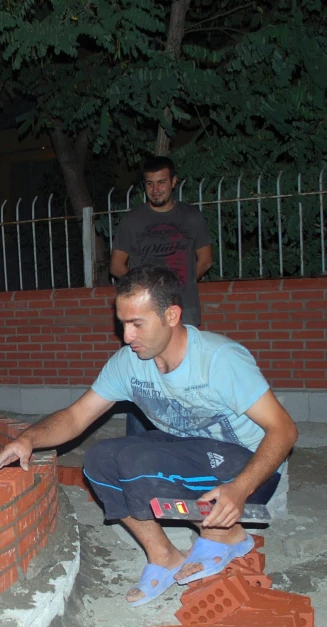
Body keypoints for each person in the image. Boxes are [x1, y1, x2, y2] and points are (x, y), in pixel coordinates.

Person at [0, 266, 296, 608]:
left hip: (247, 470)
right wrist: (29, 439)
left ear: (172, 315)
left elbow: (284, 429)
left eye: (137, 324)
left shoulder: (219, 360)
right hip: (190, 456)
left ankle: (226, 534)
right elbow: (77, 416)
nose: (126, 336)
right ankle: (163, 555)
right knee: (99, 460)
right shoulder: (129, 363)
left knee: (139, 462)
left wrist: (240, 489)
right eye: (122, 323)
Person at [111, 156, 215, 436]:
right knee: (144, 379)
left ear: (173, 182)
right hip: (147, 317)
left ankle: (186, 441)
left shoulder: (191, 217)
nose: (156, 189)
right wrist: (144, 292)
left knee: (188, 377)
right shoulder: (132, 221)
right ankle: (138, 444)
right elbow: (117, 266)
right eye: (149, 184)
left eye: (161, 183)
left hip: (185, 312)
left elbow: (204, 260)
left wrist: (175, 289)